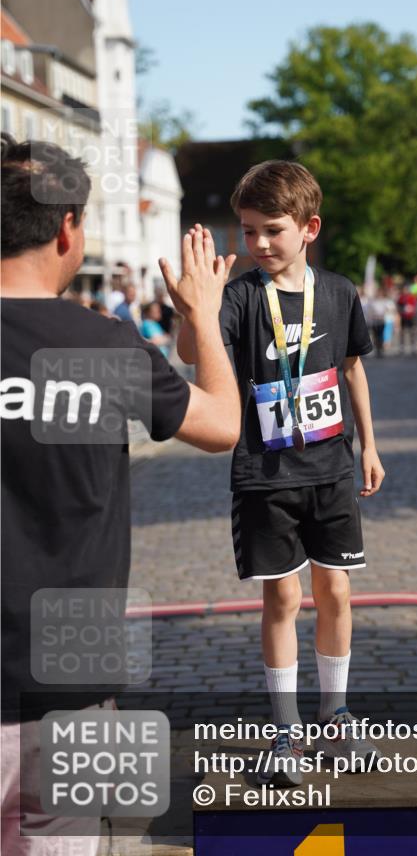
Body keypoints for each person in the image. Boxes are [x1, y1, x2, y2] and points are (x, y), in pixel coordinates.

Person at [1, 136, 241, 855]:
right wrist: (202, 313)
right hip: (68, 687)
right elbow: (223, 424)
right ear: (69, 228)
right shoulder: (106, 347)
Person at [178, 160, 386, 784]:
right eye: (248, 231)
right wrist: (196, 309)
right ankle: (287, 731)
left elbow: (352, 368)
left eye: (271, 229)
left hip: (331, 470)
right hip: (265, 475)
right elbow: (196, 356)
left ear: (308, 227)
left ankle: (337, 716)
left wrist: (370, 446)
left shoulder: (341, 292)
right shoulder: (241, 296)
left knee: (338, 592)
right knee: (284, 597)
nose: (258, 243)